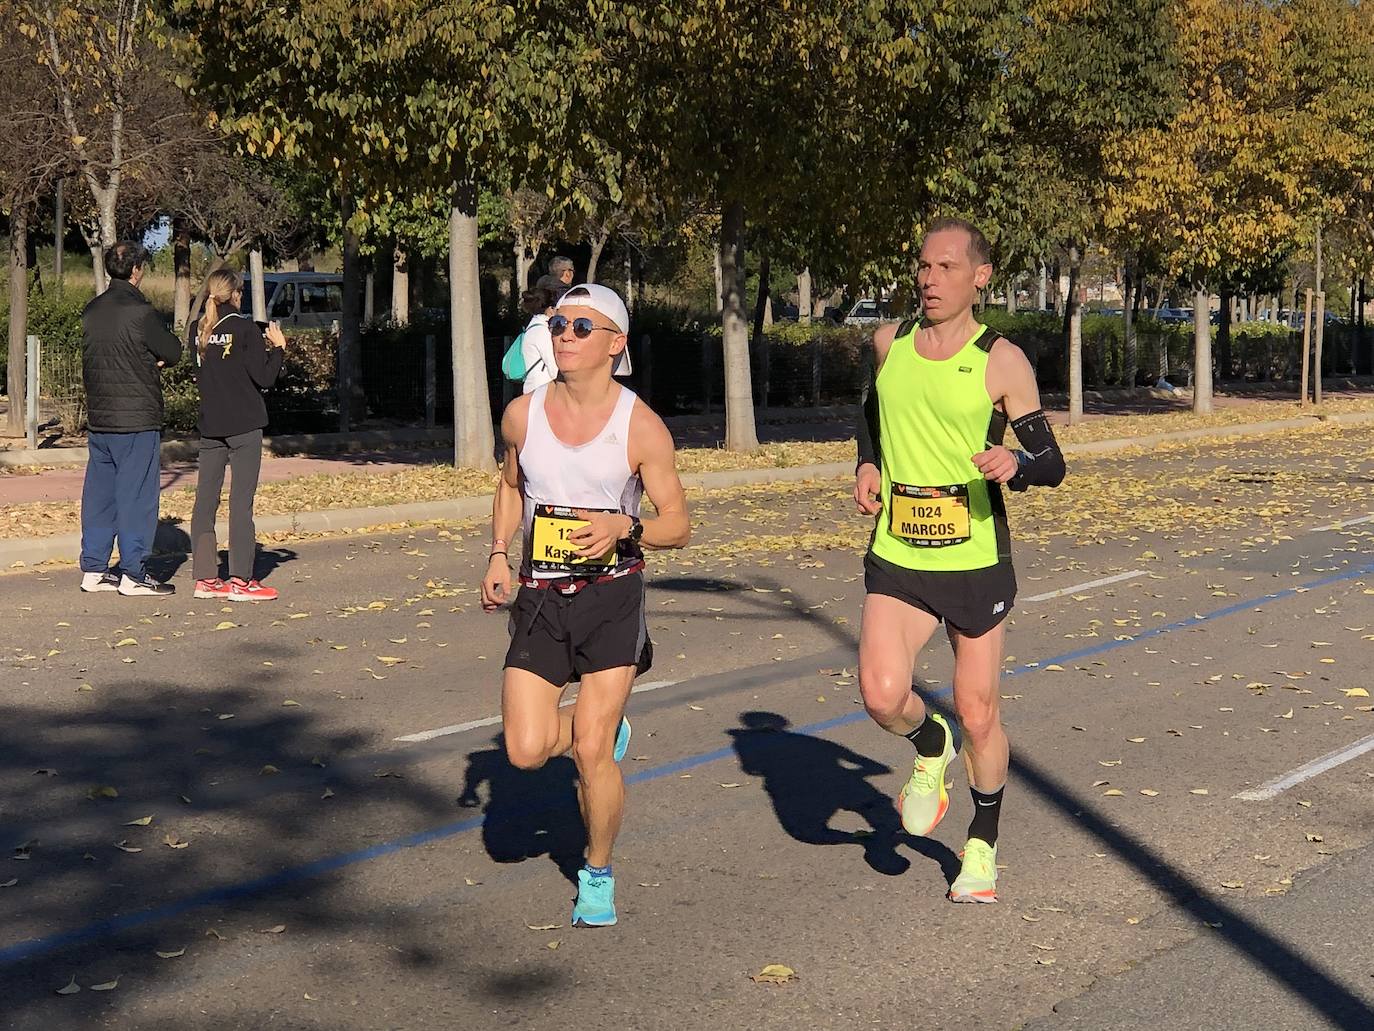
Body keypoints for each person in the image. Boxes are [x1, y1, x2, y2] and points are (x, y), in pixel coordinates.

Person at [853, 218, 1065, 903]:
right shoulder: (891, 343)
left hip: (974, 554)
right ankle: (927, 742)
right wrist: (867, 460)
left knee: (980, 712)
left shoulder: (1001, 359)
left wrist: (1017, 463)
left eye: (946, 267)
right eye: (923, 266)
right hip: (900, 550)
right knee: (883, 693)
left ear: (980, 277)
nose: (928, 278)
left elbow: (1051, 461)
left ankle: (981, 843)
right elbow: (872, 411)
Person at [481, 283, 689, 928]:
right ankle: (600, 725)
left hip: (611, 597)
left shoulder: (641, 426)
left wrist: (622, 527)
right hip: (542, 594)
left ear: (614, 344)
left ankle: (595, 872)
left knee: (592, 750)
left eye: (580, 326)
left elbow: (677, 523)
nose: (564, 335)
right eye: (557, 324)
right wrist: (496, 554)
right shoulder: (523, 413)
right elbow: (510, 485)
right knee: (524, 750)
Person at [79, 242, 183, 597]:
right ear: (136, 269)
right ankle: (134, 573)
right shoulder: (142, 312)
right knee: (136, 496)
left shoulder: (92, 311)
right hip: (136, 417)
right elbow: (172, 351)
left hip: (100, 416)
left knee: (100, 495)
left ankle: (93, 568)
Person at [188, 268, 288, 601]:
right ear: (236, 294)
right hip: (244, 425)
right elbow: (265, 378)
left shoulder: (198, 331)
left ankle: (205, 578)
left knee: (205, 501)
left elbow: (200, 375)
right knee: (240, 502)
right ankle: (241, 581)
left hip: (210, 426)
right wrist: (278, 348)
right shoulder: (245, 329)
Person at [518, 275, 565, 394]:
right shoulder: (542, 332)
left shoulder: (533, 327)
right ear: (550, 309)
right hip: (541, 390)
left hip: (535, 388)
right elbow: (553, 367)